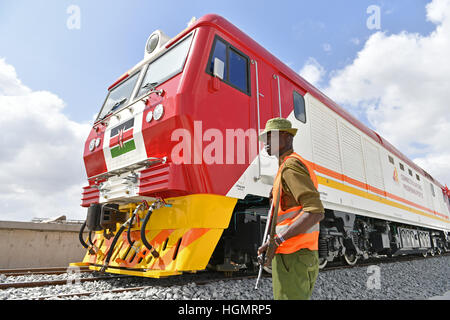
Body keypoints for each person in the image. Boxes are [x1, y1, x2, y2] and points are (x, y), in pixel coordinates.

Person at [257, 117, 325, 300]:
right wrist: (271, 245)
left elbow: (315, 211)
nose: (266, 144)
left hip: (294, 255)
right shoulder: (286, 167)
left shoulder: (290, 166)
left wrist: (277, 241)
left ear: (287, 138)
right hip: (295, 253)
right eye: (265, 139)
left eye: (271, 137)